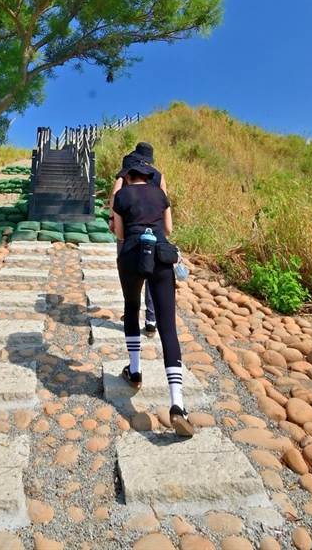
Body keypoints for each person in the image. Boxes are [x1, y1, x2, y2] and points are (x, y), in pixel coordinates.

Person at [112, 157, 194, 437]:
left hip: (132, 255)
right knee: (167, 327)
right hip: (160, 257)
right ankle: (177, 405)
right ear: (148, 175)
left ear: (129, 174)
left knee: (131, 308)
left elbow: (120, 234)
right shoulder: (160, 194)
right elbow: (168, 230)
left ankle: (134, 371)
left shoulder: (121, 195)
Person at [109, 142, 167, 337]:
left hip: (128, 230)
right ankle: (151, 319)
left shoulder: (126, 171)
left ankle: (131, 312)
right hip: (154, 232)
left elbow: (115, 195)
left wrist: (112, 219)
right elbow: (165, 202)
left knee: (129, 273)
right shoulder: (158, 176)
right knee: (151, 272)